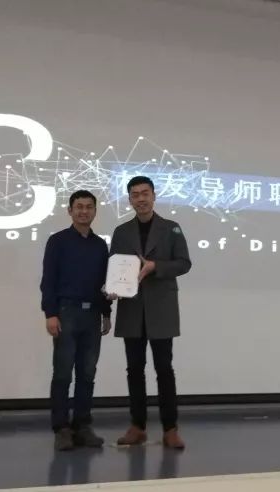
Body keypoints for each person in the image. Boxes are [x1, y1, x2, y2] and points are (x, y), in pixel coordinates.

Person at [108, 176, 192, 449]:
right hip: (131, 308)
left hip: (161, 308)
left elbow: (184, 263)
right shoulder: (121, 231)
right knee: (134, 370)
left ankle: (170, 429)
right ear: (130, 199)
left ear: (154, 196)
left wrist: (156, 267)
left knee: (164, 369)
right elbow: (115, 267)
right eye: (135, 194)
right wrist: (112, 287)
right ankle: (138, 426)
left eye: (145, 193)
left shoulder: (171, 228)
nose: (141, 199)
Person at [40, 190, 113, 451]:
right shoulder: (58, 241)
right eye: (79, 207)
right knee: (62, 374)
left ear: (95, 211)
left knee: (87, 373)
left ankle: (82, 426)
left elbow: (105, 283)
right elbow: (48, 280)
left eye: (89, 207)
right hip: (66, 313)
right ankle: (61, 428)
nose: (84, 211)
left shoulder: (100, 245)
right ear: (70, 211)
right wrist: (50, 313)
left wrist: (106, 313)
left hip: (92, 315)